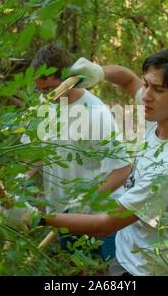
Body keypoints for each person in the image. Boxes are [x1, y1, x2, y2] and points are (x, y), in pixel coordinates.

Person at [0, 47, 168, 276]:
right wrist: (99, 72)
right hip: (128, 250)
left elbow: (104, 224)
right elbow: (127, 79)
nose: (145, 95)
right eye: (147, 84)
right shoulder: (160, 114)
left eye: (158, 89)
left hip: (145, 268)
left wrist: (35, 218)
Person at [15, 44, 132, 260]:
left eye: (50, 89)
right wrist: (20, 178)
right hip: (63, 215)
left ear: (70, 79)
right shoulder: (45, 106)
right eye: (39, 90)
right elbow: (38, 152)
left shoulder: (96, 114)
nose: (45, 96)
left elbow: (123, 169)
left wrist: (87, 199)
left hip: (100, 218)